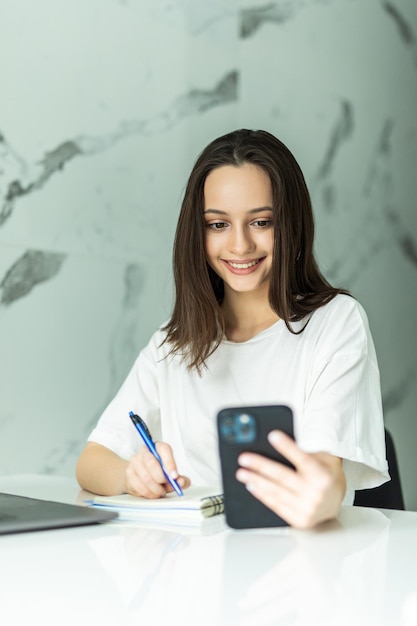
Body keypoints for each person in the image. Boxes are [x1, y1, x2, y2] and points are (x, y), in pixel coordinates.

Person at [76, 129, 389, 529]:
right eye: (218, 224)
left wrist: (320, 497)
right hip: (193, 566)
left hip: (298, 561)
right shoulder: (173, 342)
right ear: (197, 232)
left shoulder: (336, 322)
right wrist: (130, 475)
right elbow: (91, 462)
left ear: (291, 223)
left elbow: (326, 476)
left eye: (261, 221)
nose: (240, 246)